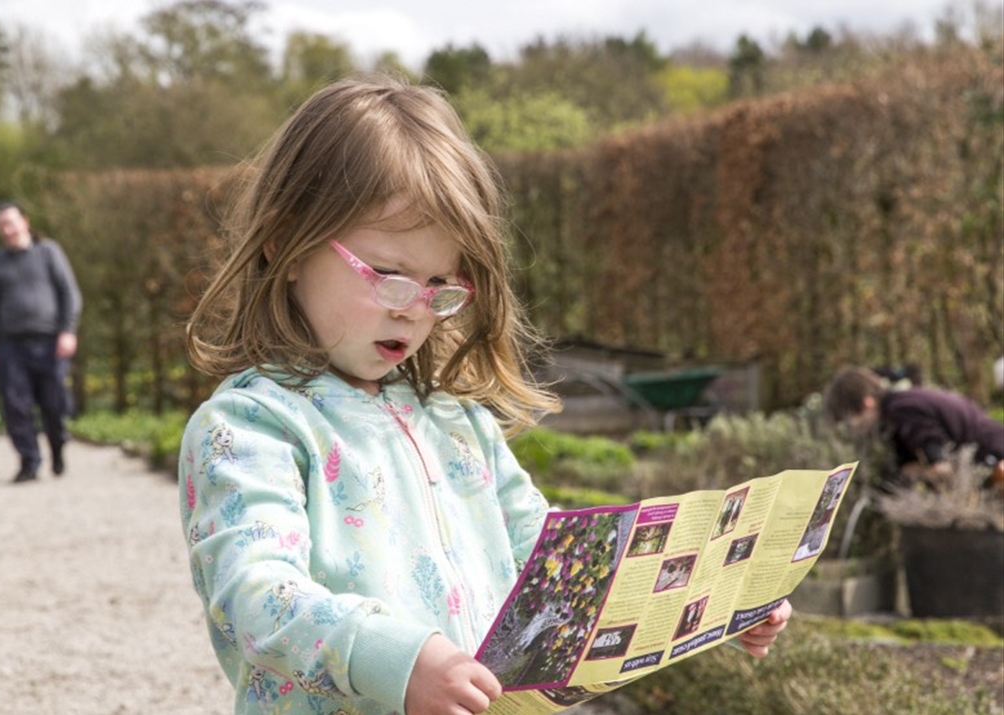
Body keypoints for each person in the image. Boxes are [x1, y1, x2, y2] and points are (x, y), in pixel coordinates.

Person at [178, 75, 792, 715]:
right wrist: (401, 660)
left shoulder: (458, 422)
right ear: (286, 244)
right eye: (388, 276)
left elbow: (554, 572)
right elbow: (254, 594)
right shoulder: (251, 427)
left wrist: (704, 602)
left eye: (440, 283)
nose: (416, 310)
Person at [0, 199, 82, 483]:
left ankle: (57, 447)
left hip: (50, 341)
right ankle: (29, 461)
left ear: (24, 222)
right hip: (11, 345)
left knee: (54, 403)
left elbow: (70, 293)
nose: (7, 229)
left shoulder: (48, 252)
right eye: (1, 225)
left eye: (10, 222)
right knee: (15, 405)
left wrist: (68, 330)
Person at [824, 365, 1004, 489]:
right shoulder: (898, 407)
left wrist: (918, 473)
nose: (852, 428)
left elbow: (941, 468)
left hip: (995, 462)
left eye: (850, 419)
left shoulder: (904, 411)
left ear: (867, 403)